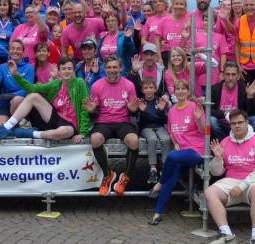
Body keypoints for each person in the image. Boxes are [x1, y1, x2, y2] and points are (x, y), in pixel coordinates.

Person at [206, 110, 255, 244]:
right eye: (233, 123)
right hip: (231, 181)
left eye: (240, 122)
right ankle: (226, 235)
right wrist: (217, 158)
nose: (237, 126)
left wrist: (242, 186)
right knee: (210, 192)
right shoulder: (225, 142)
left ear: (247, 123)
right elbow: (216, 173)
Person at [0, 57, 90, 142]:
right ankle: (6, 127)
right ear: (59, 71)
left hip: (70, 125)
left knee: (62, 132)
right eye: (63, 69)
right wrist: (16, 75)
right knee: (33, 96)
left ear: (73, 70)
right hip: (55, 118)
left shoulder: (79, 83)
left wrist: (83, 133)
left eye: (69, 69)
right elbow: (31, 88)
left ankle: (32, 133)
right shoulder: (56, 84)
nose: (66, 71)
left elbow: (85, 108)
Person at [147, 80, 205, 225]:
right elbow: (171, 131)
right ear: (174, 92)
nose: (180, 91)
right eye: (177, 89)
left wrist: (199, 119)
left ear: (188, 91)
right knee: (171, 178)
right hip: (181, 152)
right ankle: (157, 214)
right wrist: (176, 143)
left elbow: (204, 131)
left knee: (171, 156)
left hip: (196, 151)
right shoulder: (172, 110)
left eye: (183, 89)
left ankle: (159, 183)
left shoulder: (195, 107)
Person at [84, 56, 140, 196]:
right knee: (95, 139)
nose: (112, 70)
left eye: (115, 67)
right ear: (105, 69)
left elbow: (133, 111)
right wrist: (92, 110)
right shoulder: (97, 85)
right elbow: (94, 113)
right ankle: (108, 174)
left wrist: (133, 109)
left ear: (121, 68)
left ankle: (125, 177)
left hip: (123, 121)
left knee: (134, 141)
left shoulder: (129, 85)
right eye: (109, 67)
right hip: (104, 122)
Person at [0, 39, 34, 131]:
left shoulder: (29, 68)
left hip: (18, 102)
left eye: (18, 49)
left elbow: (27, 90)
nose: (15, 51)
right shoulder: (3, 67)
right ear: (9, 51)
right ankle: (9, 125)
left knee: (17, 99)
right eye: (12, 48)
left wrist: (4, 97)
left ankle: (15, 124)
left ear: (23, 52)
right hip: (4, 102)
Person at [210, 61, 255, 140]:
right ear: (223, 75)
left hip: (240, 123)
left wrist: (250, 97)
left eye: (233, 74)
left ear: (238, 76)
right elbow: (209, 110)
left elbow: (254, 113)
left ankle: (245, 143)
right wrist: (224, 114)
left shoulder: (244, 88)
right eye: (227, 74)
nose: (230, 78)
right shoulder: (215, 89)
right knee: (211, 120)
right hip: (223, 123)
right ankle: (224, 143)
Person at [137, 77, 171, 186]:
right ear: (142, 90)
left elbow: (164, 120)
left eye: (151, 87)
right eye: (146, 88)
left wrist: (160, 110)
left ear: (155, 89)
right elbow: (141, 121)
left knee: (166, 139)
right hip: (146, 127)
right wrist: (144, 111)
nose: (148, 90)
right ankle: (153, 169)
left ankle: (165, 168)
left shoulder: (159, 100)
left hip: (159, 126)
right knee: (152, 139)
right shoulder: (141, 101)